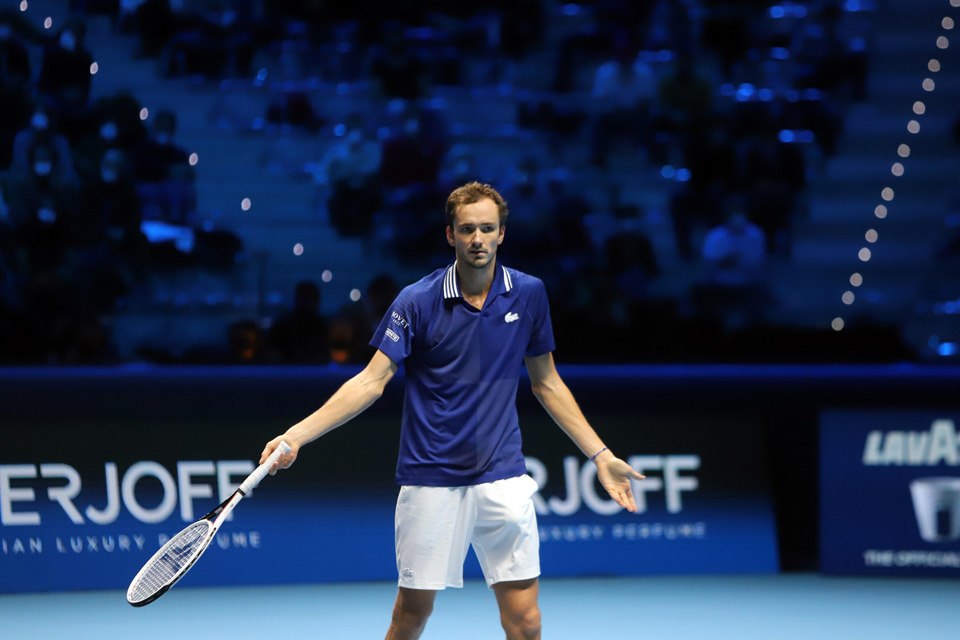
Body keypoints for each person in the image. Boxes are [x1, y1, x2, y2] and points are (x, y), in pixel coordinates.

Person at [257, 181, 644, 640]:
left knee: (526, 622)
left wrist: (600, 455)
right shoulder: (416, 301)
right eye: (467, 229)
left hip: (502, 475)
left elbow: (547, 383)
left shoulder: (529, 294)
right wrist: (295, 436)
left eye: (487, 229)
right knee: (411, 617)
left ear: (502, 234)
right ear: (450, 235)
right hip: (431, 478)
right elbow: (371, 381)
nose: (478, 239)